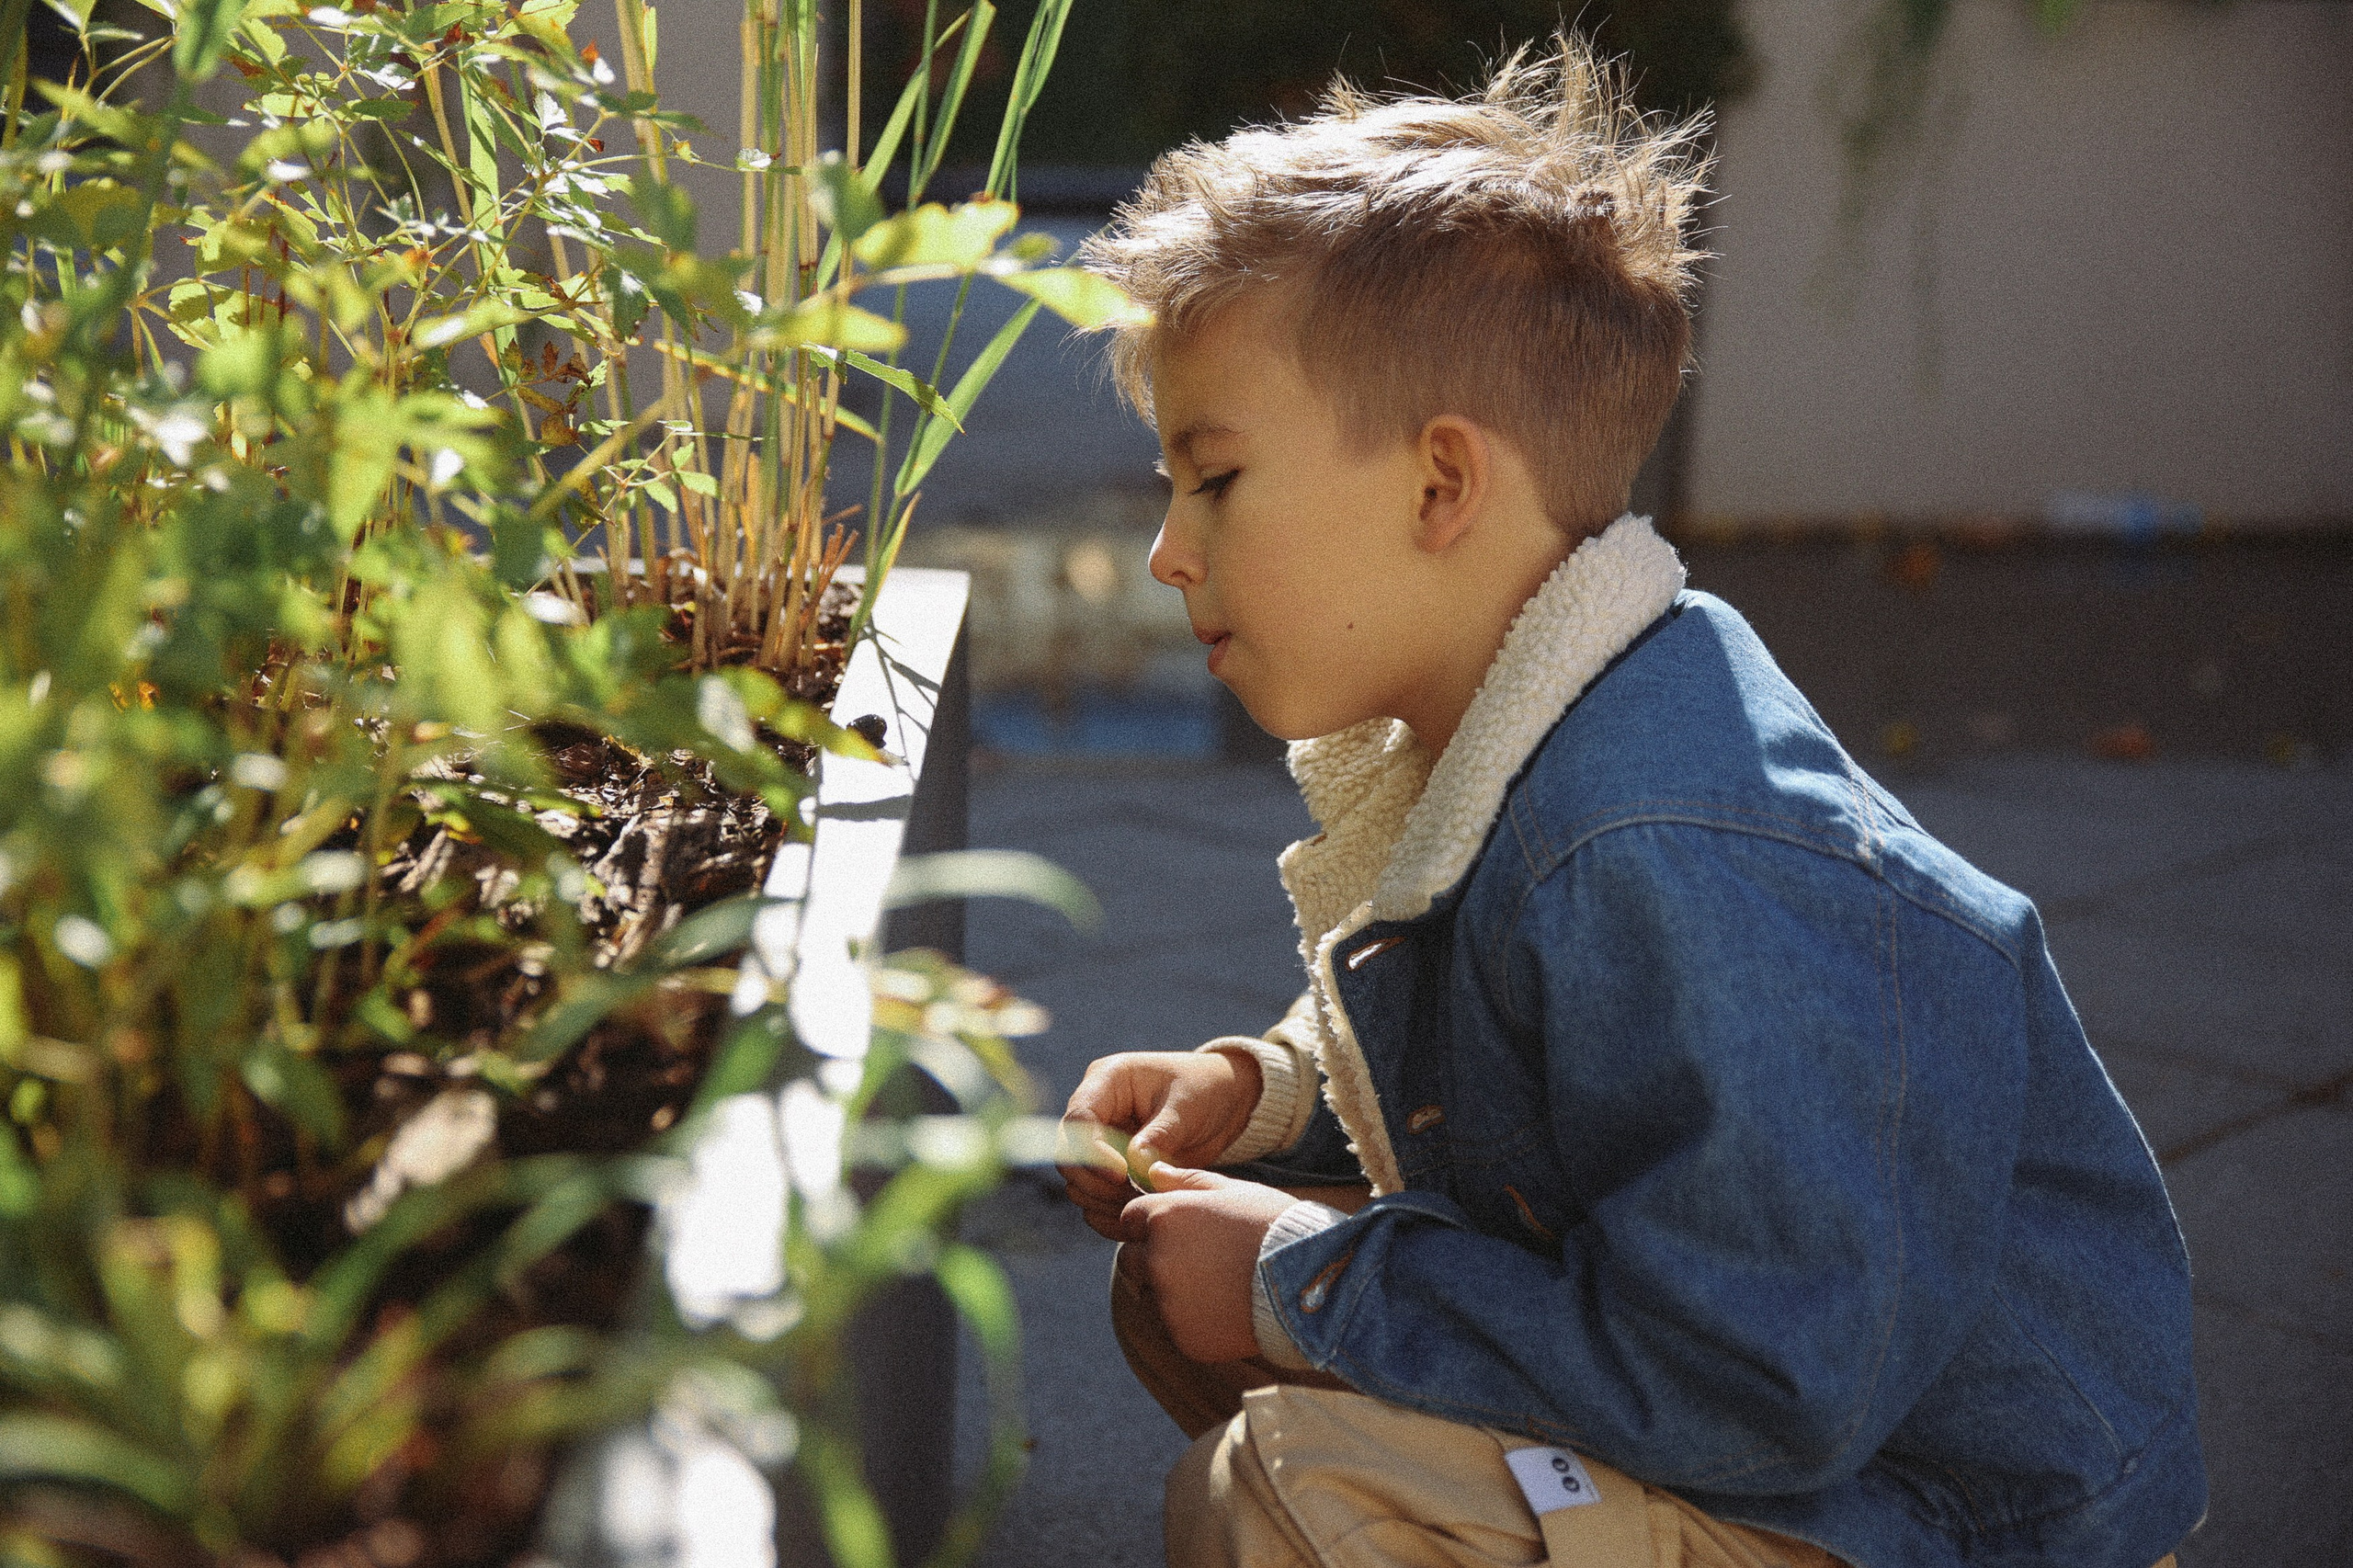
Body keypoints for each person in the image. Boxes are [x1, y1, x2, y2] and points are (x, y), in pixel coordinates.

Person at [1053, 32, 2205, 1568]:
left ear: (1440, 488)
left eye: (1213, 478)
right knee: (1197, 1284)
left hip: (1932, 1510)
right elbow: (1514, 1086)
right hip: (1795, 1432)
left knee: (1283, 1491)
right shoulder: (1526, 730)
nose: (1167, 553)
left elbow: (1763, 1381)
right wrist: (1260, 1095)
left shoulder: (1662, 846)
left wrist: (1302, 1280)